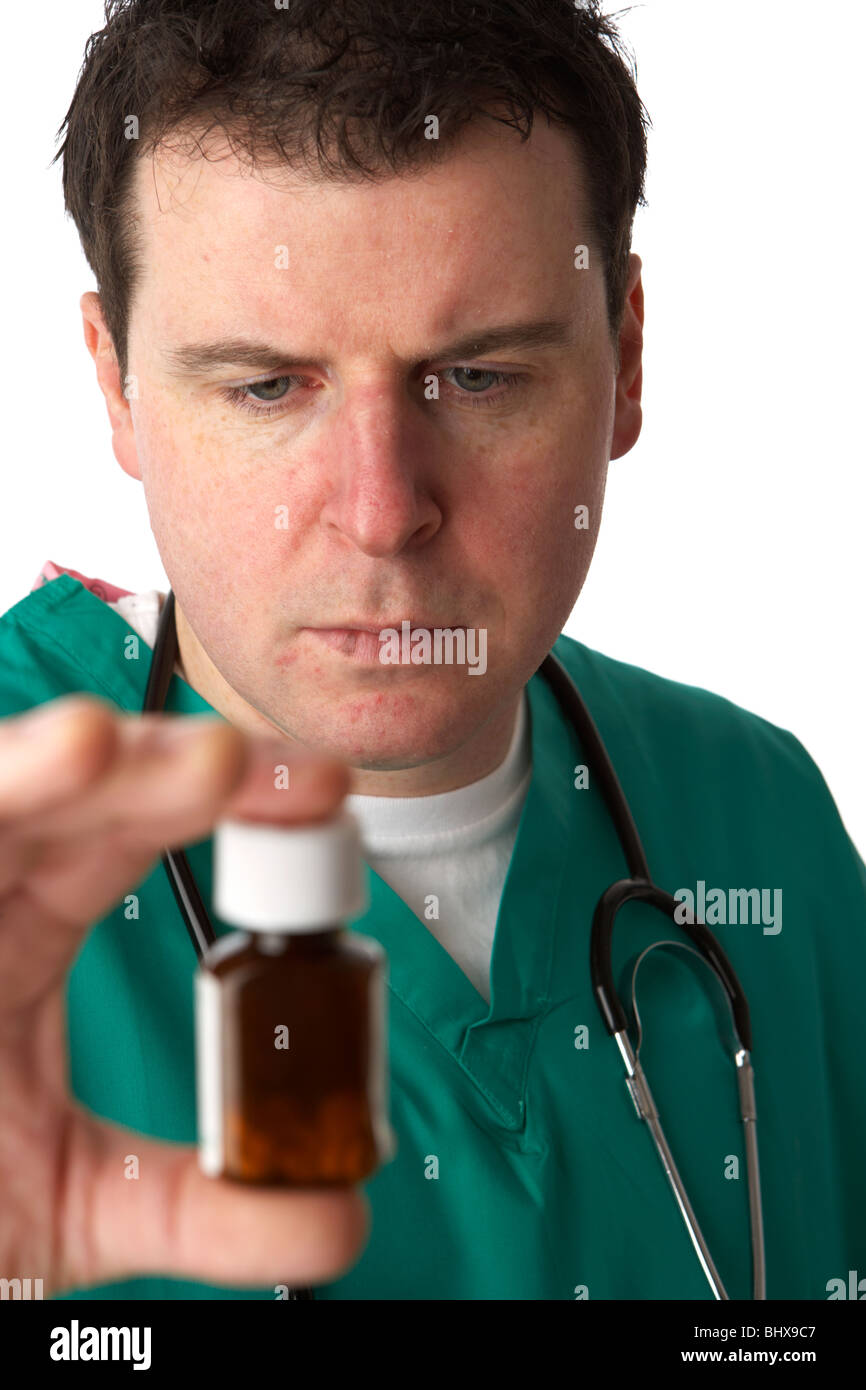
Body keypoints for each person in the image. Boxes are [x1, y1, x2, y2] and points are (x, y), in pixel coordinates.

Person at [1, 0, 863, 1302]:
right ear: (114, 382)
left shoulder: (756, 814)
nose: (381, 507)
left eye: (476, 377)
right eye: (265, 386)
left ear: (626, 358)